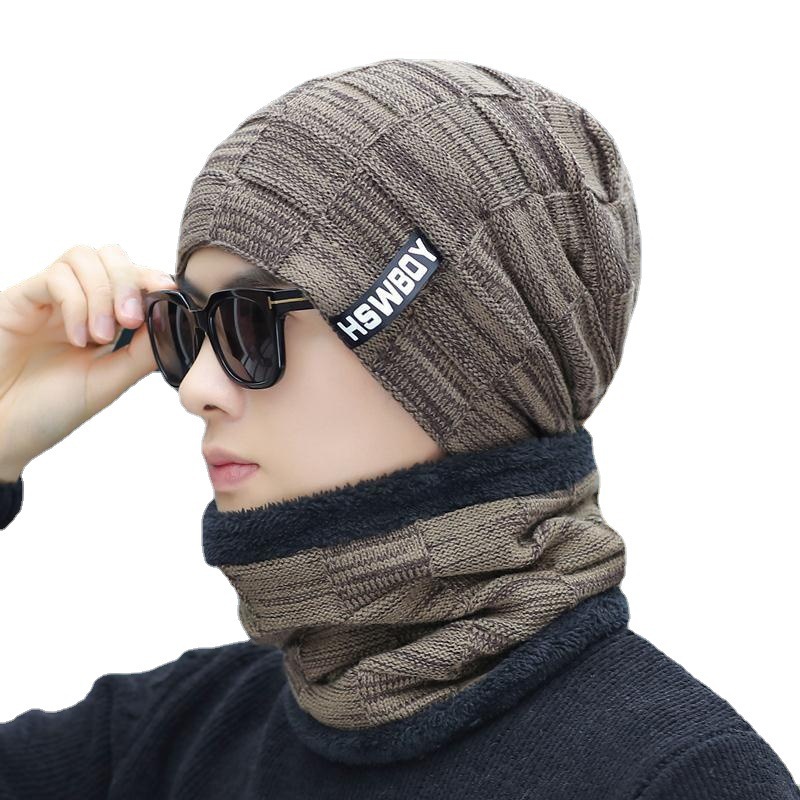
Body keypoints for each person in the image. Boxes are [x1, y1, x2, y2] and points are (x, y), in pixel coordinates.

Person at [0, 57, 797, 799]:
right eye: (187, 325)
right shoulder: (173, 740)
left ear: (472, 353)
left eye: (249, 322)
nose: (197, 388)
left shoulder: (680, 778)